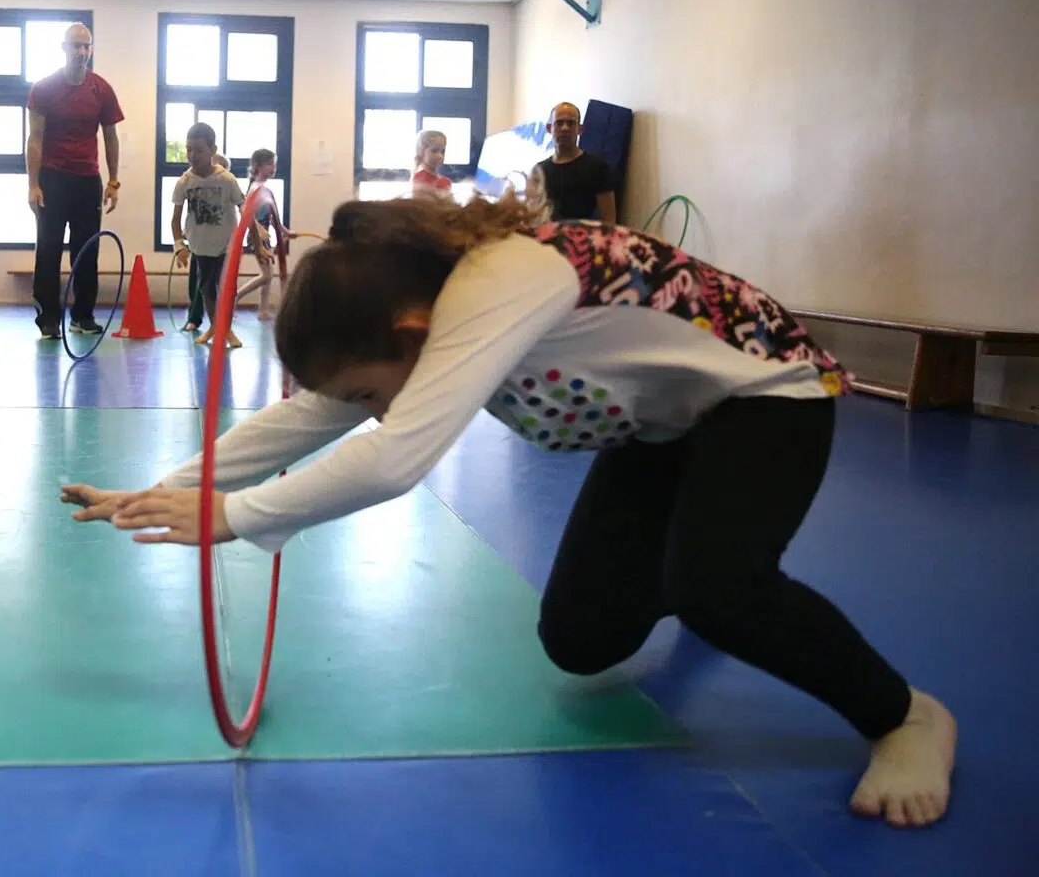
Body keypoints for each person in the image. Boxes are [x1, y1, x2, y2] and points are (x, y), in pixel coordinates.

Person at [61, 193, 957, 831]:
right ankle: (697, 571)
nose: (369, 407)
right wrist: (177, 486)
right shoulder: (410, 318)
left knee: (719, 586)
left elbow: (396, 457)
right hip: (661, 431)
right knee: (580, 641)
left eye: (371, 390)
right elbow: (308, 419)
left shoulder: (501, 283)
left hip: (768, 398)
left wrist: (236, 516)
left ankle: (905, 715)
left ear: (411, 334)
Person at [27, 23, 124, 340]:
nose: (81, 52)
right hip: (52, 179)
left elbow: (110, 137)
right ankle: (48, 319)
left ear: (90, 49)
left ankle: (82, 316)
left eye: (86, 46)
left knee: (87, 250)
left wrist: (113, 181)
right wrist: (33, 184)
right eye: (75, 46)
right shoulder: (44, 88)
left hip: (87, 180)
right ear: (64, 47)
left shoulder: (101, 89)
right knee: (49, 248)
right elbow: (35, 138)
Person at [170, 123, 244, 349]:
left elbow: (244, 208)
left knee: (226, 288)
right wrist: (179, 246)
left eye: (199, 150)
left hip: (226, 245)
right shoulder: (185, 182)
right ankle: (216, 327)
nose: (192, 155)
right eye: (188, 149)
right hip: (201, 246)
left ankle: (225, 329)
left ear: (213, 150)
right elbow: (175, 220)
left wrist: (258, 241)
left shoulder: (226, 180)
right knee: (207, 288)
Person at [234, 148, 291, 323]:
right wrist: (258, 230)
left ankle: (263, 310)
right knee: (267, 275)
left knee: (268, 274)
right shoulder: (255, 189)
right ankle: (236, 296)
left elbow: (272, 217)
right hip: (256, 237)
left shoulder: (265, 190)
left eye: (274, 164)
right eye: (269, 164)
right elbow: (246, 214)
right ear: (258, 166)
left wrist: (285, 232)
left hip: (265, 236)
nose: (273, 168)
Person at [537, 102, 616, 223]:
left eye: (571, 123)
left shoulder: (597, 168)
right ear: (549, 128)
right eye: (559, 123)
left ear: (580, 129)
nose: (565, 128)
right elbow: (533, 215)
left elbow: (609, 220)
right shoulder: (539, 171)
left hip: (582, 233)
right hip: (546, 233)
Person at [411, 130, 452, 200]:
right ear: (421, 152)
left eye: (442, 151)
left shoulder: (446, 181)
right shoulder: (419, 179)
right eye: (434, 151)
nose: (440, 156)